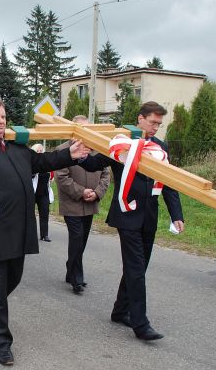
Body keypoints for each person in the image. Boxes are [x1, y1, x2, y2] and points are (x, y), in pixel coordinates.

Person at [0, 95, 89, 366]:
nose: (1, 122)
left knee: (13, 279)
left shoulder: (14, 146)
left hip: (20, 227)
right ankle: (1, 342)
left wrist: (68, 154)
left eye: (3, 117)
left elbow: (41, 162)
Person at [78, 101, 184, 341]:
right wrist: (80, 154)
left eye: (159, 123)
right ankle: (141, 324)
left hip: (150, 216)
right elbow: (95, 164)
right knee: (136, 269)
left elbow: (168, 183)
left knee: (139, 267)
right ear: (140, 119)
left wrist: (176, 214)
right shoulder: (122, 143)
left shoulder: (160, 147)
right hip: (127, 215)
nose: (156, 127)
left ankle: (120, 310)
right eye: (153, 122)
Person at [56, 116, 111, 295]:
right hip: (72, 204)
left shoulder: (97, 150)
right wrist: (81, 192)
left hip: (91, 203)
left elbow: (106, 175)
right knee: (77, 238)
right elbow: (62, 178)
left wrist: (97, 193)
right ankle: (76, 280)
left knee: (83, 240)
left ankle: (70, 269)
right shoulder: (63, 150)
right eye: (80, 128)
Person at [31, 143, 54, 242]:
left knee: (45, 214)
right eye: (38, 150)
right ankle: (30, 234)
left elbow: (52, 176)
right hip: (32, 192)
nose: (40, 152)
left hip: (44, 193)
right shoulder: (31, 162)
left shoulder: (46, 163)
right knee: (30, 215)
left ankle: (45, 235)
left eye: (41, 150)